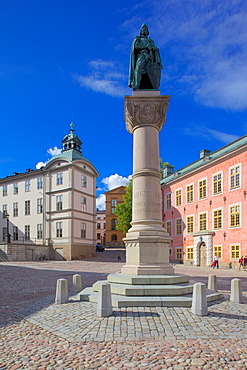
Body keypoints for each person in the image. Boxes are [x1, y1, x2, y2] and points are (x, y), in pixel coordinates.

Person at [128, 24, 163, 90]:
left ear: (147, 32)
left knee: (150, 72)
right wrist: (146, 46)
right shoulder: (138, 39)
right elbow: (135, 46)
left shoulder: (150, 41)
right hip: (141, 56)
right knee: (138, 70)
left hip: (150, 57)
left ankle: (150, 86)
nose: (144, 30)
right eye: (143, 29)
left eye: (145, 30)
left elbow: (155, 49)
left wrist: (153, 48)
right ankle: (136, 85)